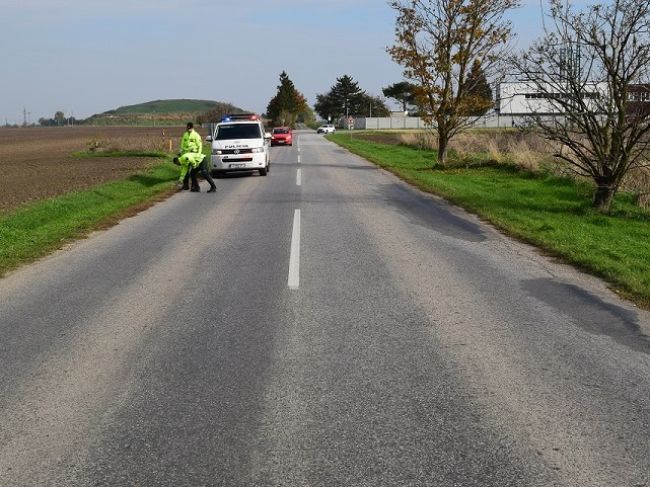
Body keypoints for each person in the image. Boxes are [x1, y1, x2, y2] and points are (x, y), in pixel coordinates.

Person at [178, 122, 203, 190]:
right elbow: (182, 144)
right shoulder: (185, 135)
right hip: (186, 156)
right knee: (185, 171)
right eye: (187, 128)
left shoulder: (196, 135)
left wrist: (198, 156)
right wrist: (180, 152)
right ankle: (185, 185)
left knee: (193, 172)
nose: (188, 130)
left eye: (189, 128)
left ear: (192, 128)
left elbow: (200, 146)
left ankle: (194, 186)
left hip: (193, 156)